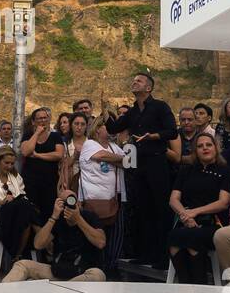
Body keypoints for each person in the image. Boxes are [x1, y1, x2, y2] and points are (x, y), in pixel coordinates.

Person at [106, 74, 177, 269]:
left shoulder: (160, 106)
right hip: (139, 165)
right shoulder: (132, 111)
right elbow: (113, 128)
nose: (134, 82)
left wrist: (153, 136)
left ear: (149, 88)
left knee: (159, 210)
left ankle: (163, 257)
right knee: (142, 210)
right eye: (133, 80)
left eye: (139, 81)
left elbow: (172, 131)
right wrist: (106, 111)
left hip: (157, 162)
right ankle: (145, 254)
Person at [1, 188, 107, 283]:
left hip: (82, 273)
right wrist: (54, 216)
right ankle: (2, 292)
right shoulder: (58, 220)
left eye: (72, 201)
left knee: (98, 275)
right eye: (63, 203)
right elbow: (38, 244)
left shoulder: (89, 217)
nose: (68, 206)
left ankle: (65, 290)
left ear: (78, 203)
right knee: (22, 265)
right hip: (57, 272)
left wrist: (78, 219)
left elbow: (101, 242)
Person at [167, 134, 230, 283]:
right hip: (187, 221)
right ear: (195, 150)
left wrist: (195, 212)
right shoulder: (186, 170)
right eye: (200, 146)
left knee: (191, 238)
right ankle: (185, 285)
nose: (205, 148)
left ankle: (199, 285)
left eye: (208, 145)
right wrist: (186, 215)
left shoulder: (225, 171)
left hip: (214, 223)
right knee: (173, 237)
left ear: (216, 148)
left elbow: (223, 202)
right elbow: (173, 199)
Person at [78, 116, 127, 270]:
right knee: (96, 235)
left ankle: (111, 267)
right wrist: (121, 159)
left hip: (114, 198)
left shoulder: (114, 147)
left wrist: (121, 159)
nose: (111, 129)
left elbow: (129, 164)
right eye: (107, 126)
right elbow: (101, 156)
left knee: (115, 235)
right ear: (98, 128)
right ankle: (94, 267)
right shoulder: (89, 144)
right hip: (93, 200)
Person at [0, 145, 40, 263]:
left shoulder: (16, 177)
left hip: (19, 215)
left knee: (24, 209)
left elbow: (24, 197)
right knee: (25, 209)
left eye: (12, 164)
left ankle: (16, 255)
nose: (10, 166)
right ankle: (41, 233)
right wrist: (1, 202)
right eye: (6, 163)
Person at [19, 106, 65, 224]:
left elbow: (59, 154)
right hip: (31, 183)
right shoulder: (28, 136)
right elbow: (26, 151)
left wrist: (38, 155)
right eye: (39, 119)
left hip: (50, 182)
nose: (43, 121)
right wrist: (37, 133)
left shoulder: (55, 136)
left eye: (45, 118)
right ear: (33, 121)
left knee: (49, 213)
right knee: (32, 214)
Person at [60, 112, 90, 193]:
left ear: (86, 126)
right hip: (70, 182)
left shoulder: (92, 143)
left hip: (90, 183)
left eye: (83, 124)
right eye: (76, 124)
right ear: (71, 125)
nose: (79, 127)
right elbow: (62, 166)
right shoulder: (64, 143)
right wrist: (74, 156)